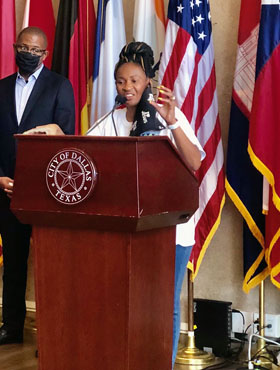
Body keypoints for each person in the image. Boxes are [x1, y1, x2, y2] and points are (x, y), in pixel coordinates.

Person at [86, 41, 204, 366]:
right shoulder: (111, 121)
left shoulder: (168, 114)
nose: (128, 87)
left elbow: (193, 162)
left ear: (147, 82)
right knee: (128, 299)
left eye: (135, 80)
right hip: (130, 226)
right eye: (121, 81)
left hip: (172, 228)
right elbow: (85, 153)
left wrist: (173, 122)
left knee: (166, 301)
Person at [0, 27, 75, 347]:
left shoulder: (60, 86)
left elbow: (65, 136)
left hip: (47, 192)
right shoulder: (2, 88)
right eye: (23, 47)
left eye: (34, 50)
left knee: (51, 266)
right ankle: (11, 328)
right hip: (8, 190)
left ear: (45, 54)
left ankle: (54, 335)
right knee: (15, 263)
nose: (27, 53)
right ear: (14, 47)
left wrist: (40, 181)